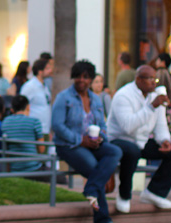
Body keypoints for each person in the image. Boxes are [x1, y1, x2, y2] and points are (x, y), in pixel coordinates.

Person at [108, 65, 171, 213]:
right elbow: (128, 126)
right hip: (118, 139)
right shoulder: (123, 95)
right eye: (149, 79)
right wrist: (151, 107)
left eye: (154, 79)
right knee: (132, 152)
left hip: (141, 141)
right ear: (138, 79)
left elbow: (160, 123)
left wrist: (164, 140)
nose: (153, 82)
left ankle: (154, 192)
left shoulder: (154, 95)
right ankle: (124, 195)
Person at [52, 60, 121, 223]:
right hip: (69, 145)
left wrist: (100, 138)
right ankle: (102, 218)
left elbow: (102, 125)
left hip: (92, 143)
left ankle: (90, 188)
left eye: (85, 77)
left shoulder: (95, 100)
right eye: (77, 77)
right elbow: (57, 125)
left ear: (90, 79)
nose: (81, 80)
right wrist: (80, 140)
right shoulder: (64, 98)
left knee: (115, 151)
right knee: (94, 169)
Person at [1, 95, 45, 173]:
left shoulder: (5, 122)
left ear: (12, 109)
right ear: (28, 107)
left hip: (14, 168)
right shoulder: (35, 122)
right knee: (61, 179)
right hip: (33, 168)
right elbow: (41, 149)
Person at [20, 58, 53, 135]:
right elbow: (21, 106)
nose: (50, 71)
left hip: (45, 129)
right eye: (47, 68)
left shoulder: (44, 86)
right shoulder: (30, 86)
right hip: (34, 130)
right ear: (40, 71)